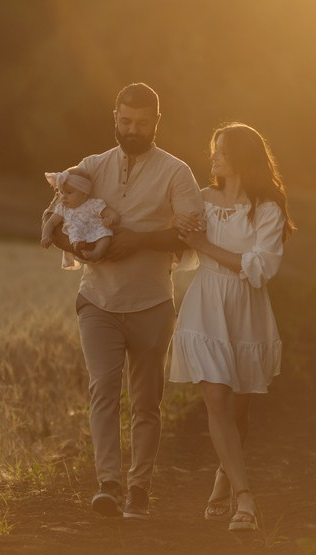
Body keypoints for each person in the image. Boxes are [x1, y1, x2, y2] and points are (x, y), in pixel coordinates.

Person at [42, 82, 203, 519]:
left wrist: (139, 240)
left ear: (156, 122)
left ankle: (139, 488)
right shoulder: (90, 167)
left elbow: (192, 233)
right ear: (115, 117)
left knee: (147, 403)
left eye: (142, 123)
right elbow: (54, 217)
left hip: (152, 304)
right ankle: (109, 485)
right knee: (103, 392)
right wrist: (81, 248)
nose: (133, 130)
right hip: (97, 302)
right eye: (126, 121)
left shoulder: (176, 172)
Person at [169, 122, 295, 532]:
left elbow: (261, 267)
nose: (214, 158)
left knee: (239, 410)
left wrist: (205, 245)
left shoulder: (267, 208)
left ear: (241, 157)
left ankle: (224, 475)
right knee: (217, 400)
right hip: (206, 304)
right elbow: (175, 239)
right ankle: (246, 497)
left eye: (222, 151)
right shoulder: (200, 200)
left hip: (245, 309)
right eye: (214, 150)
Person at [41, 167, 121, 268]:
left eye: (69, 192)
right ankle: (78, 247)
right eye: (62, 192)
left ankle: (97, 253)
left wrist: (110, 220)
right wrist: (45, 236)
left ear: (84, 193)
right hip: (78, 233)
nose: (64, 196)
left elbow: (113, 214)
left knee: (105, 233)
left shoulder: (94, 204)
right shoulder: (63, 208)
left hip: (95, 229)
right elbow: (51, 222)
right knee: (74, 232)